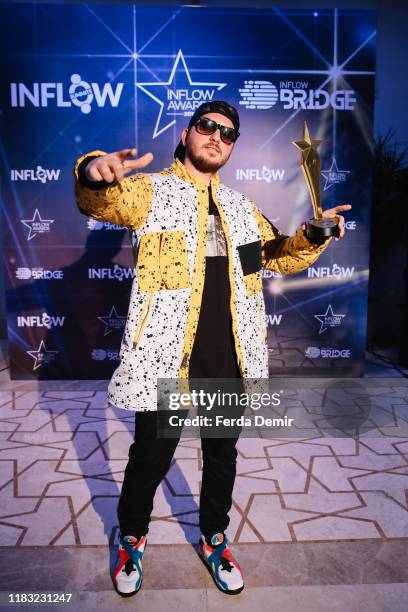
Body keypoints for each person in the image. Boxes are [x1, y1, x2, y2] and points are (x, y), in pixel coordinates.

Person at [73, 100, 351, 597]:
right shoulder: (149, 193)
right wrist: (95, 171)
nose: (217, 136)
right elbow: (101, 201)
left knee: (222, 457)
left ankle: (214, 537)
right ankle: (132, 536)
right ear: (187, 134)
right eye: (207, 126)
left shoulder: (242, 210)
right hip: (166, 359)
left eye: (228, 132)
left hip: (230, 356)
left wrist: (314, 234)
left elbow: (275, 257)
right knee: (151, 458)